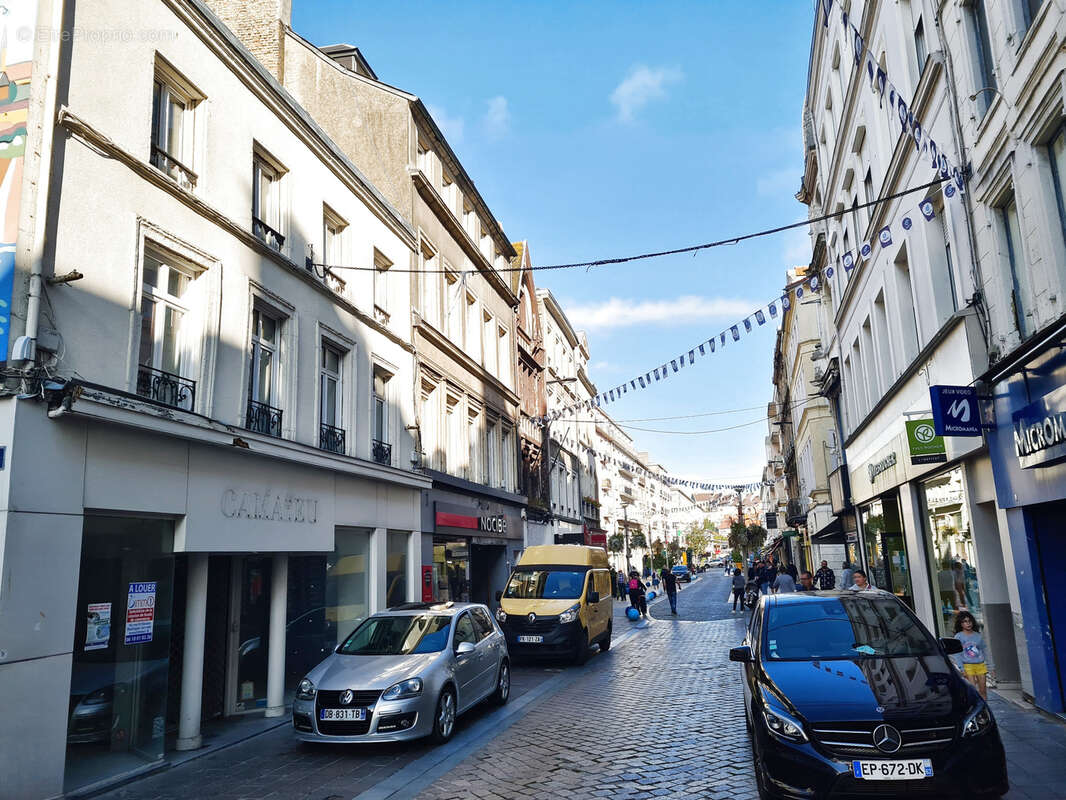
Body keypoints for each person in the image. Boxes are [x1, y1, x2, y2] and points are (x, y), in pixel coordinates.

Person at [954, 610, 990, 699]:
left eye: (969, 621)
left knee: (983, 690)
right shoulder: (958, 637)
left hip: (980, 665)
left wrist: (991, 666)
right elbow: (957, 654)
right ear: (961, 624)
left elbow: (985, 651)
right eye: (965, 622)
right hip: (967, 666)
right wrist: (961, 669)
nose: (968, 623)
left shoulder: (978, 636)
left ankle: (985, 711)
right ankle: (975, 710)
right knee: (972, 690)